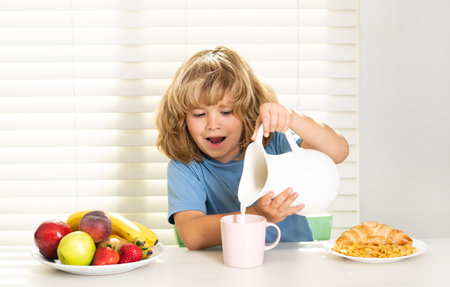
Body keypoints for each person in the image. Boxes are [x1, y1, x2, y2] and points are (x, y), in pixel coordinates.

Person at [156, 46, 349, 250]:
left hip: (292, 263)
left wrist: (292, 118)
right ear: (181, 120)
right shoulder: (187, 166)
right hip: (226, 265)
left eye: (227, 112)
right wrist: (259, 215)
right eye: (199, 115)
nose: (213, 124)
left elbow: (338, 151)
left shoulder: (273, 142)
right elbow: (193, 235)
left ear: (248, 111)